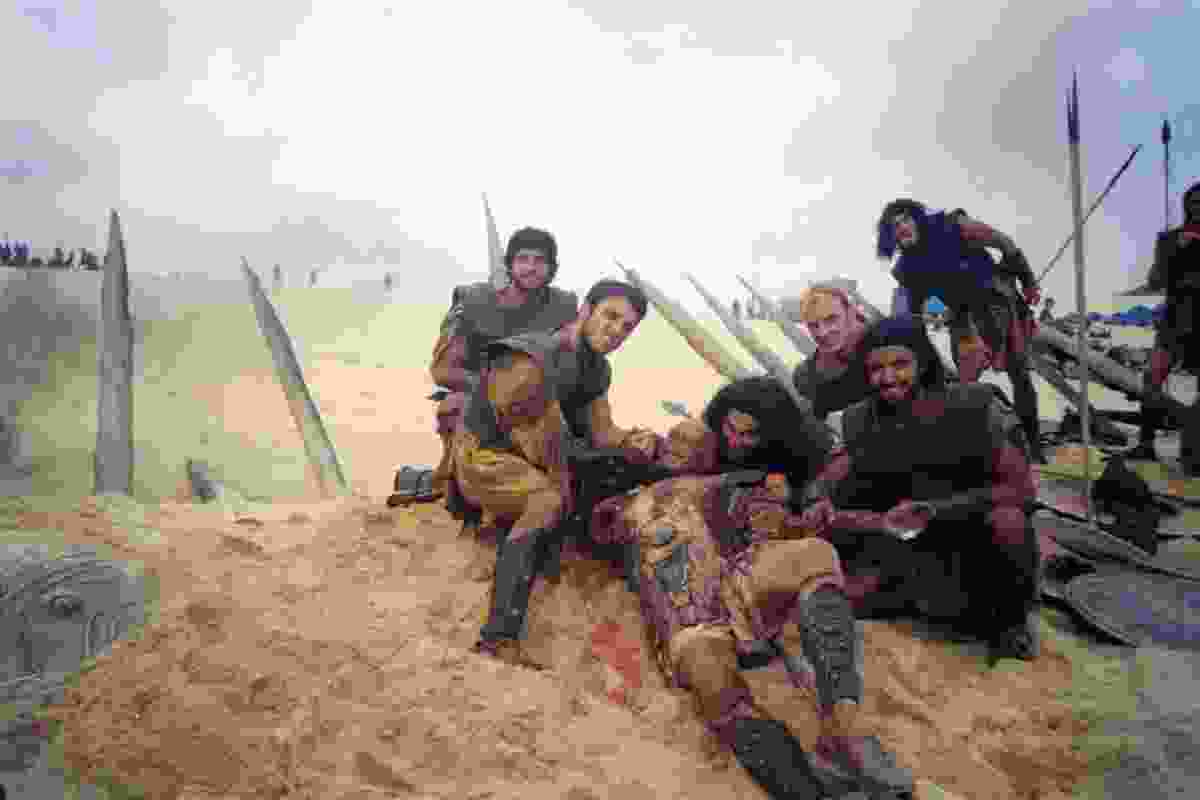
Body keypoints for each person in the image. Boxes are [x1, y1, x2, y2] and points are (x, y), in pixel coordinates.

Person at [587, 379, 914, 799]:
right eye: (673, 440)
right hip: (686, 617)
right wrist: (626, 455)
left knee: (814, 553)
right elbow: (590, 512)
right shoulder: (624, 499)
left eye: (689, 442)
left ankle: (844, 724)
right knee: (715, 688)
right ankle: (805, 789)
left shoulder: (739, 486)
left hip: (740, 584)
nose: (677, 447)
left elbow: (790, 525)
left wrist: (838, 516)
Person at [801, 315, 1041, 663]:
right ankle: (913, 595)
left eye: (900, 364)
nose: (887, 377)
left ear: (923, 362)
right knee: (824, 590)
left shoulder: (977, 405)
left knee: (1009, 522)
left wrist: (935, 510)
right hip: (905, 547)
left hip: (975, 543)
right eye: (876, 368)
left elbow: (1022, 491)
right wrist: (817, 499)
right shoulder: (857, 420)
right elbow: (829, 476)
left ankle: (1010, 624)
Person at [459, 280, 660, 667]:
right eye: (610, 316)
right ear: (585, 310)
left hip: (536, 453)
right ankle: (497, 637)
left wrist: (637, 442)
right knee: (547, 500)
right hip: (486, 455)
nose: (616, 331)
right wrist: (594, 461)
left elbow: (603, 432)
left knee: (621, 466)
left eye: (627, 327)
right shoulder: (532, 359)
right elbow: (545, 452)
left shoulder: (596, 368)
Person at [388, 227, 578, 509]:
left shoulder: (564, 307)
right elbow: (443, 369)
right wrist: (495, 392)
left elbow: (574, 365)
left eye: (540, 260)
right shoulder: (475, 302)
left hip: (540, 407)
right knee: (454, 408)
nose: (531, 267)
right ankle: (452, 484)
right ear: (509, 264)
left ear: (552, 267)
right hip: (479, 402)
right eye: (523, 259)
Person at [877, 200, 1045, 463]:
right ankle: (975, 450)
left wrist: (1029, 282)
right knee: (967, 384)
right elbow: (924, 305)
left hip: (997, 304)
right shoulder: (906, 268)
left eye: (905, 219)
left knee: (1019, 374)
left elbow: (1005, 242)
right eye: (894, 226)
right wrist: (935, 317)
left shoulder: (956, 226)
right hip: (963, 320)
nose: (901, 228)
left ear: (918, 219)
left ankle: (1034, 448)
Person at [1128, 181, 1200, 472]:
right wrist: (1176, 251)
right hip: (1174, 321)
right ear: (1186, 206)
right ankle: (1146, 443)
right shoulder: (1168, 239)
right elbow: (1156, 280)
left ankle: (1192, 450)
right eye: (1193, 203)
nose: (1197, 209)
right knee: (1152, 379)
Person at [791, 284, 873, 422]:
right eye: (813, 325)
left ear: (851, 312)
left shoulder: (887, 340)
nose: (822, 332)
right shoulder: (806, 376)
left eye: (831, 319)